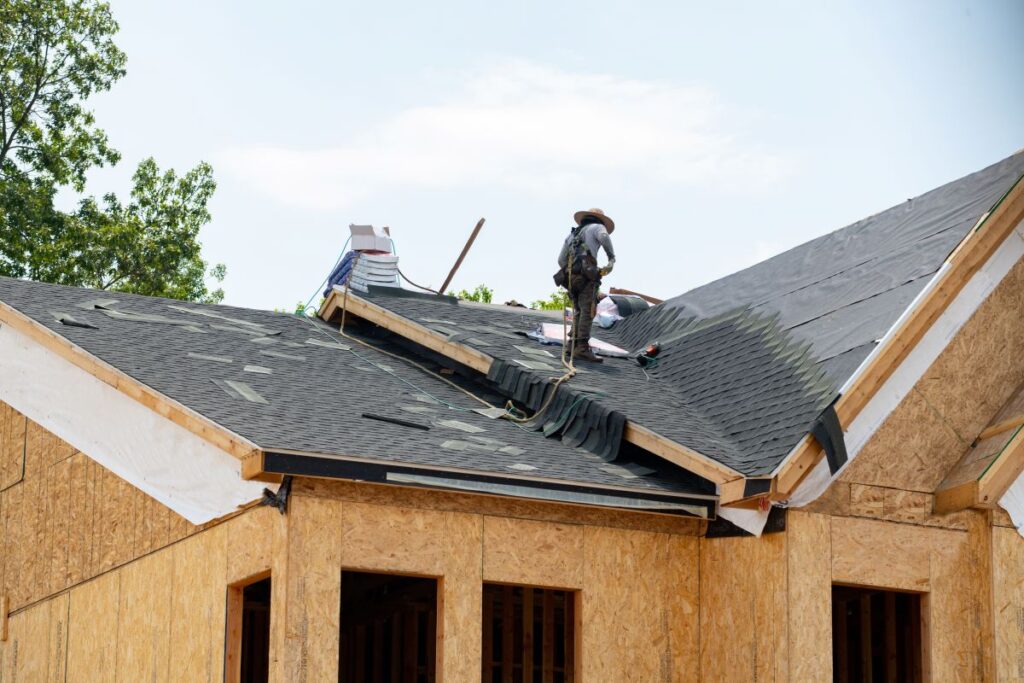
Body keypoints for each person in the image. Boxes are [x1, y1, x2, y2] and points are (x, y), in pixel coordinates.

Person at [556, 208, 616, 363]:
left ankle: (571, 345)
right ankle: (582, 347)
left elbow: (561, 260)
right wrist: (611, 259)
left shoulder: (572, 235)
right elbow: (604, 236)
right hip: (587, 277)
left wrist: (571, 272)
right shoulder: (598, 227)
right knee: (588, 310)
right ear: (600, 219)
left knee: (577, 310)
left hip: (571, 279)